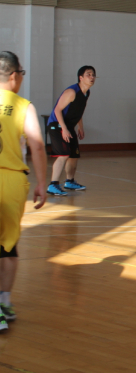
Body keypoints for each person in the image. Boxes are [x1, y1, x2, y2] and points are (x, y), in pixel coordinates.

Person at [0, 51, 47, 328]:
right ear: (14, 76)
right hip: (11, 182)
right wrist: (42, 182)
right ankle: (4, 302)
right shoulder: (22, 106)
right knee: (7, 246)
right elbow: (37, 146)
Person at [46, 65, 96, 196]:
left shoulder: (86, 93)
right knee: (63, 155)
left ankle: (69, 182)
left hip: (69, 126)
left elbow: (78, 111)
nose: (92, 77)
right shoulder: (71, 92)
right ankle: (53, 185)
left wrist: (80, 126)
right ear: (81, 78)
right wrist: (63, 128)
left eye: (93, 75)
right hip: (57, 125)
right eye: (88, 74)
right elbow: (57, 110)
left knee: (74, 155)